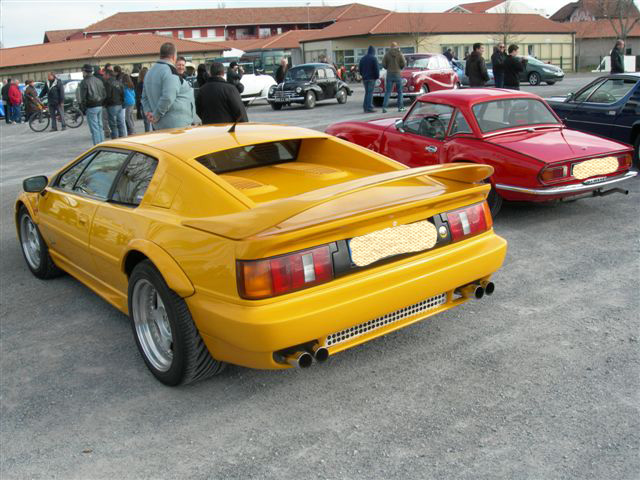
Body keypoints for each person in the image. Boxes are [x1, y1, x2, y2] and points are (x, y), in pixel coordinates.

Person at [142, 42, 195, 130]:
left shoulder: (149, 72)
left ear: (160, 55)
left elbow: (144, 97)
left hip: (160, 125)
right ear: (174, 56)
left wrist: (148, 113)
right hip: (176, 126)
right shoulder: (171, 72)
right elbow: (168, 97)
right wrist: (156, 115)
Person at [76, 64, 106, 145]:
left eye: (82, 71)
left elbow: (83, 97)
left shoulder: (84, 82)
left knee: (94, 128)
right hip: (99, 105)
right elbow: (104, 94)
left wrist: (83, 107)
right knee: (100, 126)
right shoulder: (98, 80)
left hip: (91, 106)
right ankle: (102, 144)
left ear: (85, 71)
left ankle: (97, 146)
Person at [381, 42, 406, 113]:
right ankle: (400, 108)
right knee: (399, 92)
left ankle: (384, 108)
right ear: (397, 46)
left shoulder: (387, 54)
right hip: (397, 74)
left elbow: (383, 64)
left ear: (390, 47)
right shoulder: (400, 53)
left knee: (388, 92)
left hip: (389, 74)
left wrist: (387, 68)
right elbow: (403, 63)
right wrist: (400, 68)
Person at [104, 68, 127, 138]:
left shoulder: (107, 83)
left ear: (108, 75)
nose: (103, 76)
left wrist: (105, 104)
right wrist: (122, 103)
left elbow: (108, 95)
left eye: (104, 74)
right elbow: (123, 94)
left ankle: (115, 140)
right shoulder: (119, 82)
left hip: (112, 105)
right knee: (120, 123)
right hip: (120, 105)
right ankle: (123, 139)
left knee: (113, 125)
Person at [358, 45, 380, 113]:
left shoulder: (362, 58)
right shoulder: (374, 59)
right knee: (370, 93)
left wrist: (363, 75)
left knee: (367, 93)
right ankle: (369, 107)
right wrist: (377, 77)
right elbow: (376, 69)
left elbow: (360, 69)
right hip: (371, 78)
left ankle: (365, 107)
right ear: (373, 51)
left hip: (365, 78)